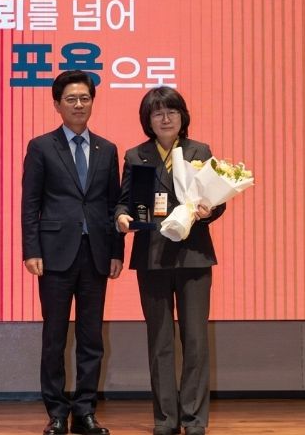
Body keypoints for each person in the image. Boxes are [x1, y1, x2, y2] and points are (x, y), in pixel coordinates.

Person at [115, 87, 226, 435]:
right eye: (158, 113)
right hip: (152, 258)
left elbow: (217, 199)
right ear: (147, 120)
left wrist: (210, 210)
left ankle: (194, 419)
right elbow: (124, 201)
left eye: (172, 112)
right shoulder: (136, 155)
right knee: (160, 340)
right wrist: (121, 217)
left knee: (195, 341)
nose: (165, 119)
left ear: (183, 116)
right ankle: (165, 418)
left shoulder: (199, 151)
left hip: (193, 257)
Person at [22, 70, 123, 435]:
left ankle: (84, 412)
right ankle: (55, 413)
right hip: (54, 254)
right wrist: (31, 250)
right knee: (54, 337)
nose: (79, 105)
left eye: (84, 98)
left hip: (96, 253)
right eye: (71, 99)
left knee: (91, 337)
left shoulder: (107, 149)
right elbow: (30, 203)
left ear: (92, 102)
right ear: (57, 104)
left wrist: (116, 251)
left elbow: (113, 205)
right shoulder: (41, 147)